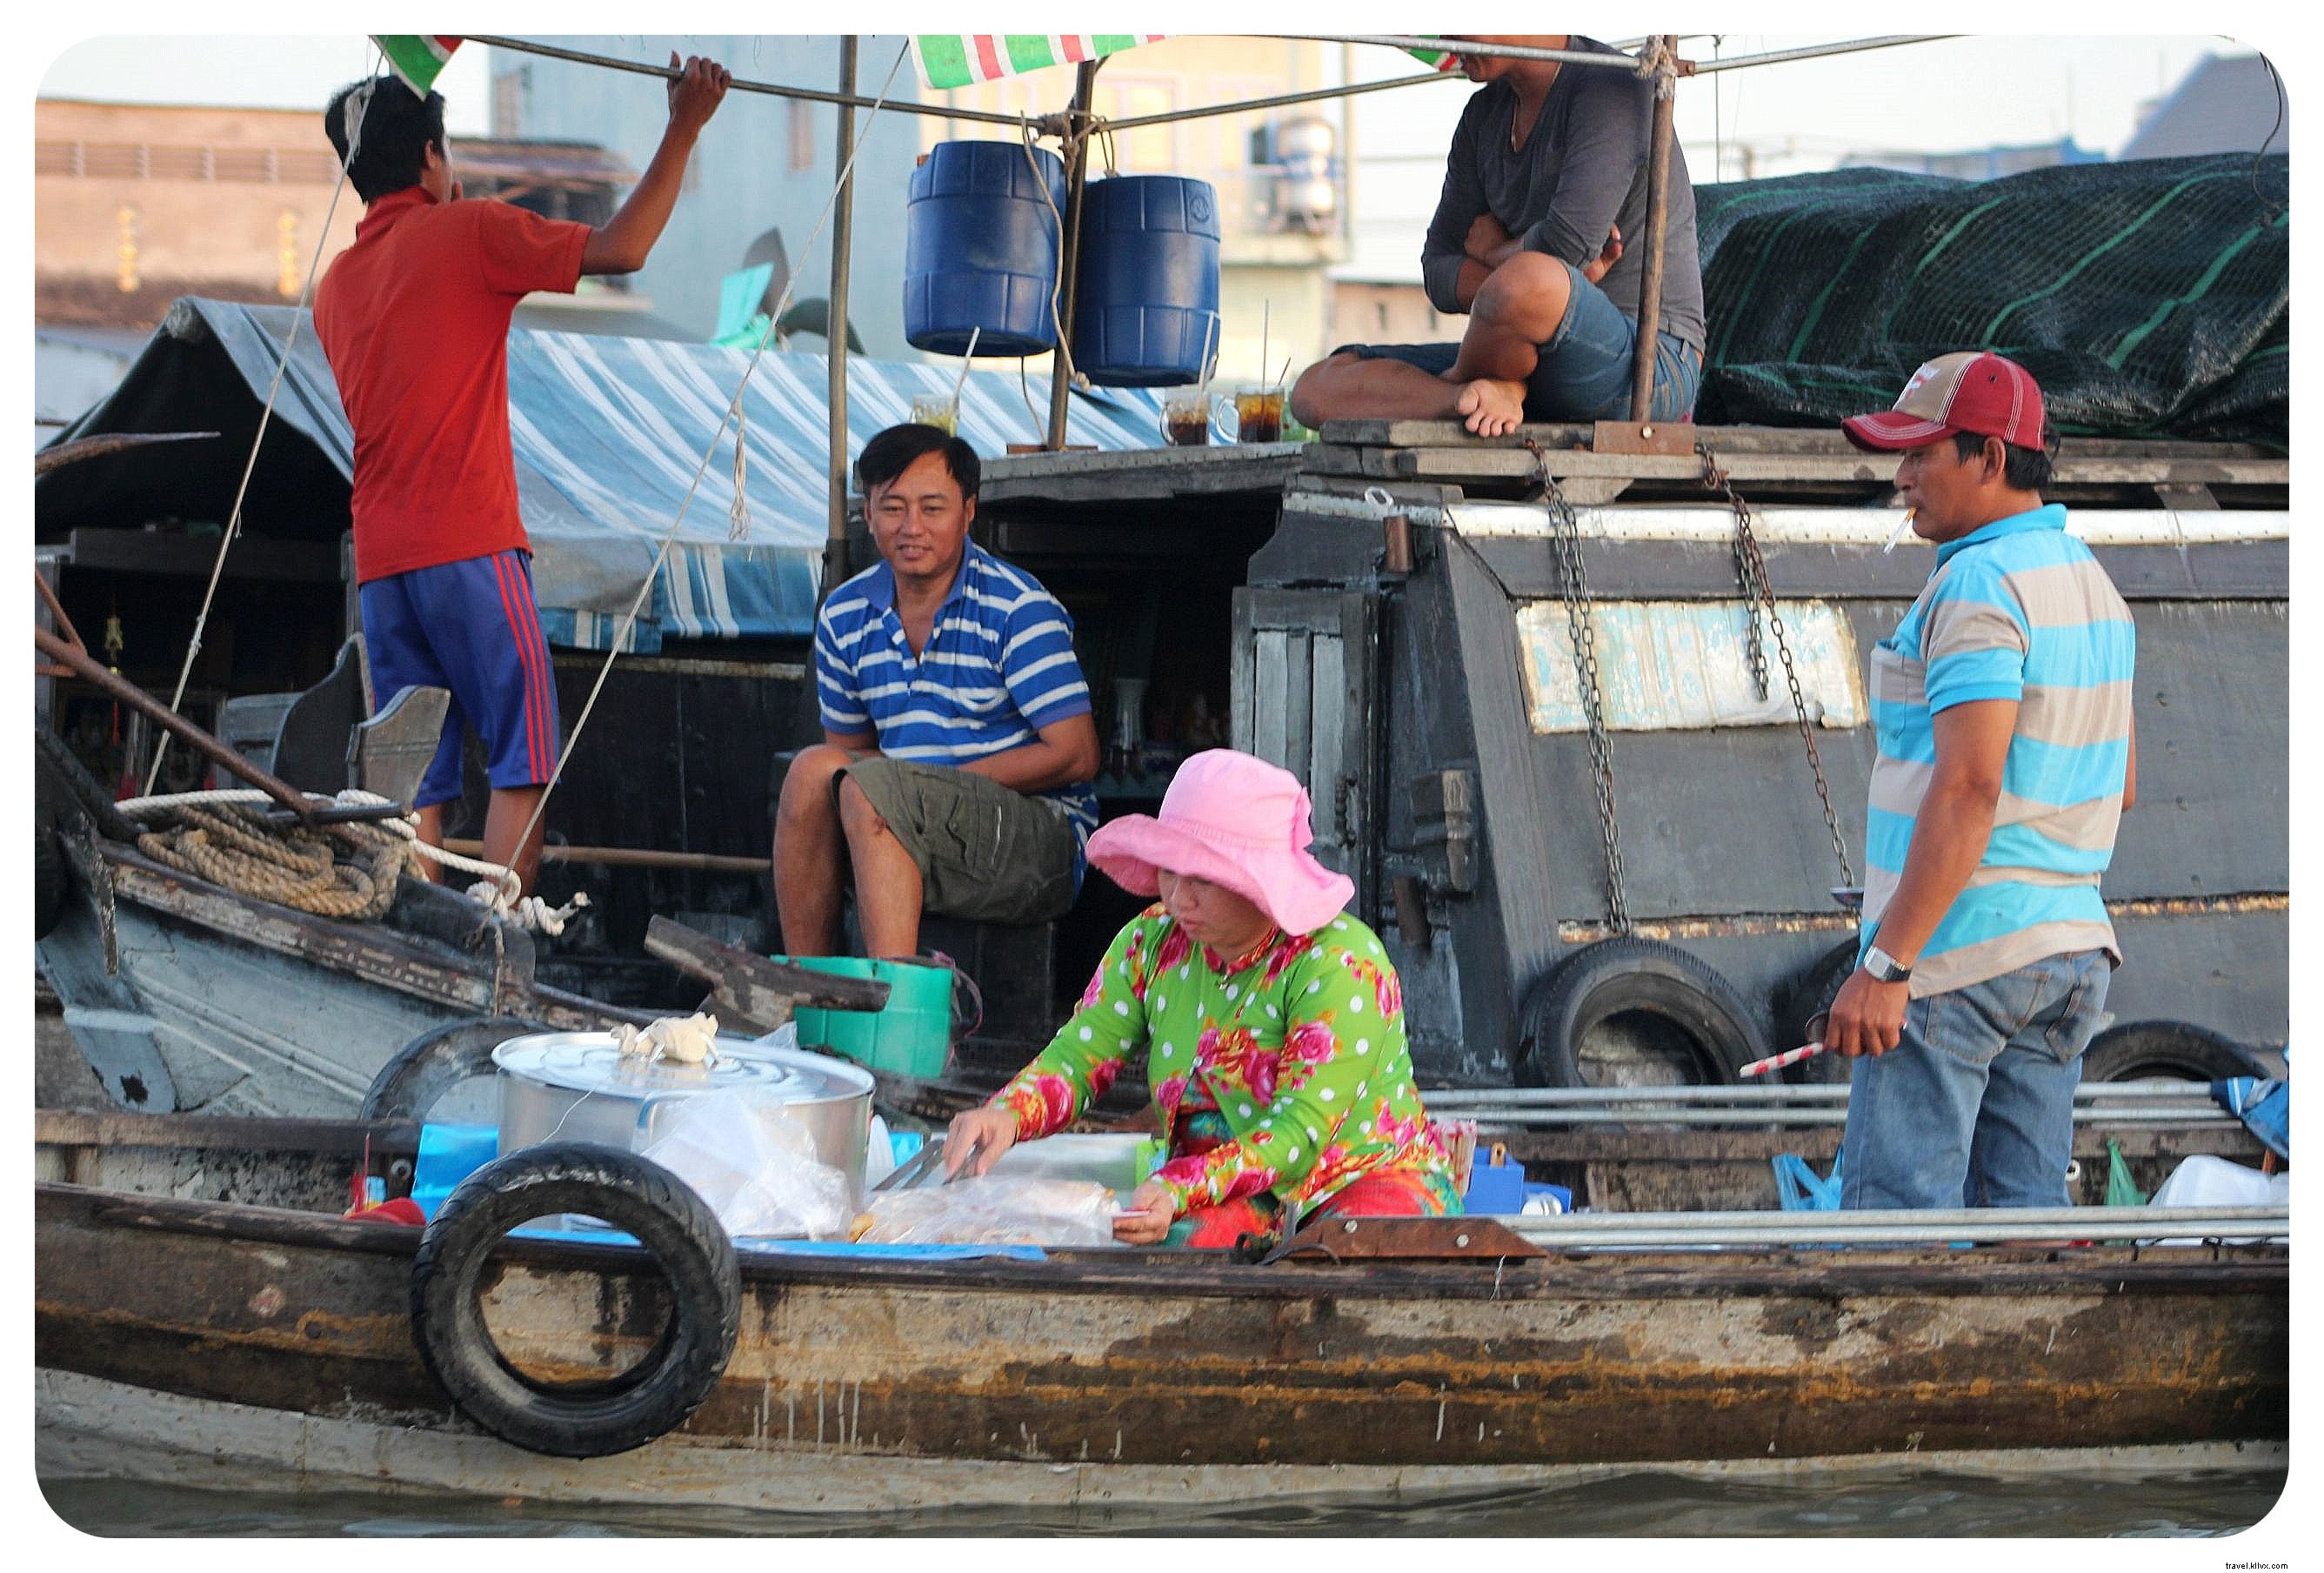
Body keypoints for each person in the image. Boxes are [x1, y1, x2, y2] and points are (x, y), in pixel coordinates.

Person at [314, 55, 731, 895]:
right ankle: (504, 944)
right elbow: (626, 247)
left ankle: (422, 951)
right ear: (433, 158)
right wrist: (685, 125)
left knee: (414, 782)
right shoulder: (468, 233)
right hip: (470, 545)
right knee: (523, 761)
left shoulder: (336, 286)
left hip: (384, 562)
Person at [1822, 351, 2138, 1210]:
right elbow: (2118, 784)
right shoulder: (2092, 587)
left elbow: (1967, 788)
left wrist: (1887, 964)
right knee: (2023, 1227)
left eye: (1921, 454)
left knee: (1889, 1237)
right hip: (2069, 951)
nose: (1901, 477)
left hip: (1955, 953)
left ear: (1989, 459)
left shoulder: (1975, 584)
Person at [944, 749, 1462, 1248]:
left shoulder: (1340, 963)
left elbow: (1300, 1133)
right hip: (1230, 1185)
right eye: (1168, 870)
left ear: (1260, 884)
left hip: (1361, 1178)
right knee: (1165, 1246)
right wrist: (1008, 1114)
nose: (1176, 898)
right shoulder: (1152, 942)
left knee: (1347, 1259)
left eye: (1203, 879)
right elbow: (1082, 1056)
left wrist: (1180, 1186)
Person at [777, 423, 1101, 958]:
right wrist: (910, 794)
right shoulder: (843, 615)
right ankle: (808, 988)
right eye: (892, 507)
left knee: (877, 792)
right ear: (868, 513)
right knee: (812, 769)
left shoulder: (1018, 609)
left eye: (933, 508)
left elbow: (1077, 756)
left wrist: (925, 789)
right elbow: (848, 752)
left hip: (1039, 839)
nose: (911, 527)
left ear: (968, 512)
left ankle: (897, 1009)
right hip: (911, 816)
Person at [1289, 34, 1705, 439]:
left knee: (1528, 283)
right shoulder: (1482, 116)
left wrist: (1492, 252)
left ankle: (1476, 384)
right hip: (1516, 355)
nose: (1444, 36)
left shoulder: (1612, 88)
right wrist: (1514, 286)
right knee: (1316, 390)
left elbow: (1567, 248)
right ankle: (1473, 395)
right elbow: (1437, 269)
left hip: (1645, 363)